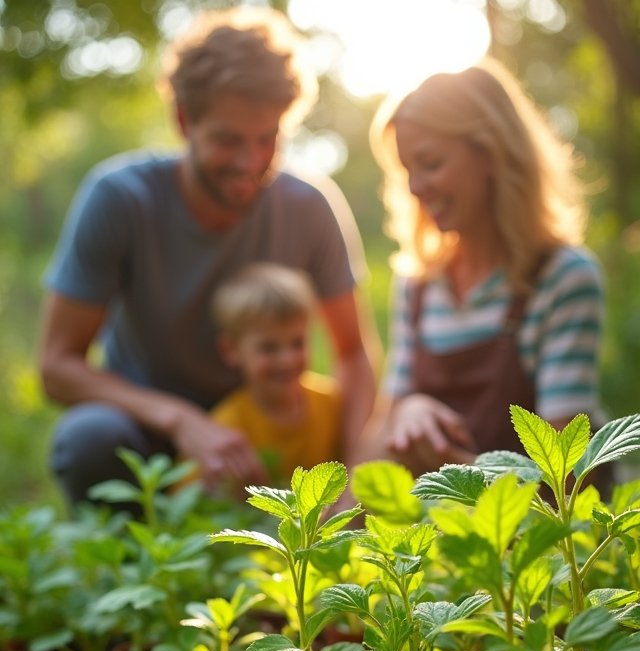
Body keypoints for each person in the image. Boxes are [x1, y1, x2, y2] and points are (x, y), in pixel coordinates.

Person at [39, 6, 378, 506]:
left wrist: (354, 478)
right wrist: (182, 420)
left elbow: (353, 354)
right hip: (154, 432)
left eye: (268, 139)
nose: (250, 163)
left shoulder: (310, 205)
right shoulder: (120, 198)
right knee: (88, 438)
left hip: (272, 424)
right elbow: (56, 365)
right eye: (228, 140)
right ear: (183, 119)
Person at [359, 57, 606, 477]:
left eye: (432, 163)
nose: (416, 188)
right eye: (407, 171)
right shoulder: (417, 285)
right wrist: (407, 409)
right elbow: (382, 428)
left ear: (492, 154)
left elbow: (563, 475)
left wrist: (453, 470)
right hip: (444, 525)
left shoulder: (563, 278)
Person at [190, 261, 342, 488]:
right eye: (269, 348)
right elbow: (186, 494)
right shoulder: (228, 426)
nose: (287, 359)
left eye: (297, 343)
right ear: (230, 350)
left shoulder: (333, 403)